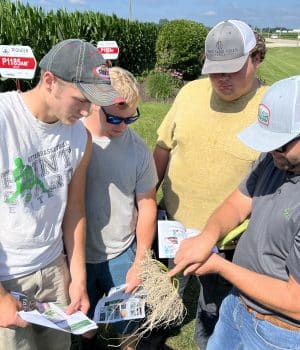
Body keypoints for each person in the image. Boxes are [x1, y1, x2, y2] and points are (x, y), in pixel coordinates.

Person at [0, 38, 122, 350]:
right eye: (81, 99)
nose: (88, 111)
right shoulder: (4, 120)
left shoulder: (80, 138)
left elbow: (74, 209)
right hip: (7, 275)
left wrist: (78, 277)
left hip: (54, 268)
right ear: (50, 81)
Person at [153, 19, 268, 349]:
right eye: (216, 70)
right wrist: (146, 197)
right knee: (162, 295)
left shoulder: (270, 107)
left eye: (233, 69)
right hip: (173, 226)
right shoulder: (189, 93)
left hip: (230, 244)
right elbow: (163, 147)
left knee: (214, 312)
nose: (222, 78)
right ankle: (156, 333)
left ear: (257, 57)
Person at [169, 75, 300, 349]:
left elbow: (296, 302)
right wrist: (208, 237)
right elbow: (238, 202)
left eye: (281, 143)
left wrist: (219, 266)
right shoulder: (273, 159)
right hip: (236, 307)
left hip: (280, 334)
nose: (270, 150)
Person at [81, 66, 158, 350]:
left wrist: (140, 261)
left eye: (130, 119)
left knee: (126, 324)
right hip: (78, 256)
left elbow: (147, 205)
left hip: (120, 253)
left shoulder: (138, 151)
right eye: (114, 117)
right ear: (94, 104)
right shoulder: (73, 139)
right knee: (84, 323)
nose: (122, 126)